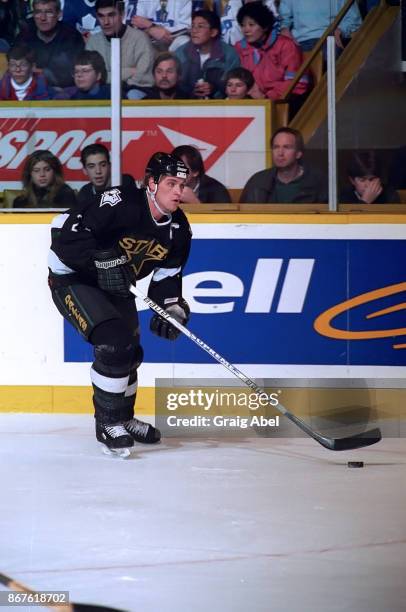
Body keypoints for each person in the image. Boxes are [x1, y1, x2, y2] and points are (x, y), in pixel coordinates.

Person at [47, 152, 192, 456]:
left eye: (182, 184)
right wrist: (99, 261)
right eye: (171, 183)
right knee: (113, 345)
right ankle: (107, 423)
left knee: (131, 352)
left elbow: (167, 278)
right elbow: (65, 231)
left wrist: (172, 308)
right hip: (74, 277)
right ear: (151, 183)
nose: (178, 191)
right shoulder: (121, 202)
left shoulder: (178, 229)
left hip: (116, 285)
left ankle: (123, 418)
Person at [235, 2, 309, 101]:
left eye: (251, 25)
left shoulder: (285, 45)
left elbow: (296, 83)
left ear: (265, 26)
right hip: (250, 100)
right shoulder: (240, 47)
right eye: (243, 25)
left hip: (282, 101)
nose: (246, 30)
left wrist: (267, 97)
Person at [240, 127, 327, 203]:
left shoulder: (319, 182)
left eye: (287, 147)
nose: (280, 153)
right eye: (276, 147)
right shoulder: (257, 182)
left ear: (298, 153)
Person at [86, 0, 154, 94]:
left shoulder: (140, 39)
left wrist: (107, 77)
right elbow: (89, 78)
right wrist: (129, 71)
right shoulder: (93, 42)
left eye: (111, 15)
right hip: (101, 94)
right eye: (101, 16)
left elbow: (145, 78)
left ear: (122, 14)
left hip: (133, 93)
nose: (106, 22)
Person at [15, 0, 85, 89]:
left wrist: (39, 72)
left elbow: (73, 75)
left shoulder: (72, 37)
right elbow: (16, 70)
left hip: (63, 93)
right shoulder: (24, 36)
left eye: (48, 12)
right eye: (38, 12)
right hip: (30, 91)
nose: (43, 18)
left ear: (59, 14)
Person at [175, 9, 240, 99]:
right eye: (193, 26)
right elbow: (177, 87)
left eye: (200, 26)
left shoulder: (229, 55)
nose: (194, 30)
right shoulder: (180, 53)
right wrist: (192, 93)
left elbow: (234, 88)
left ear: (213, 32)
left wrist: (214, 89)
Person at [278, 0, 362, 54]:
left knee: (329, 56)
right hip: (299, 41)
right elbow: (284, 20)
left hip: (328, 38)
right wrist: (284, 29)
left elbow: (354, 20)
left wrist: (341, 29)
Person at [13, 150, 77, 209]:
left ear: (55, 171)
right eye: (36, 170)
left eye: (47, 169)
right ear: (30, 174)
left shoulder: (66, 194)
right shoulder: (20, 202)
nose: (42, 174)